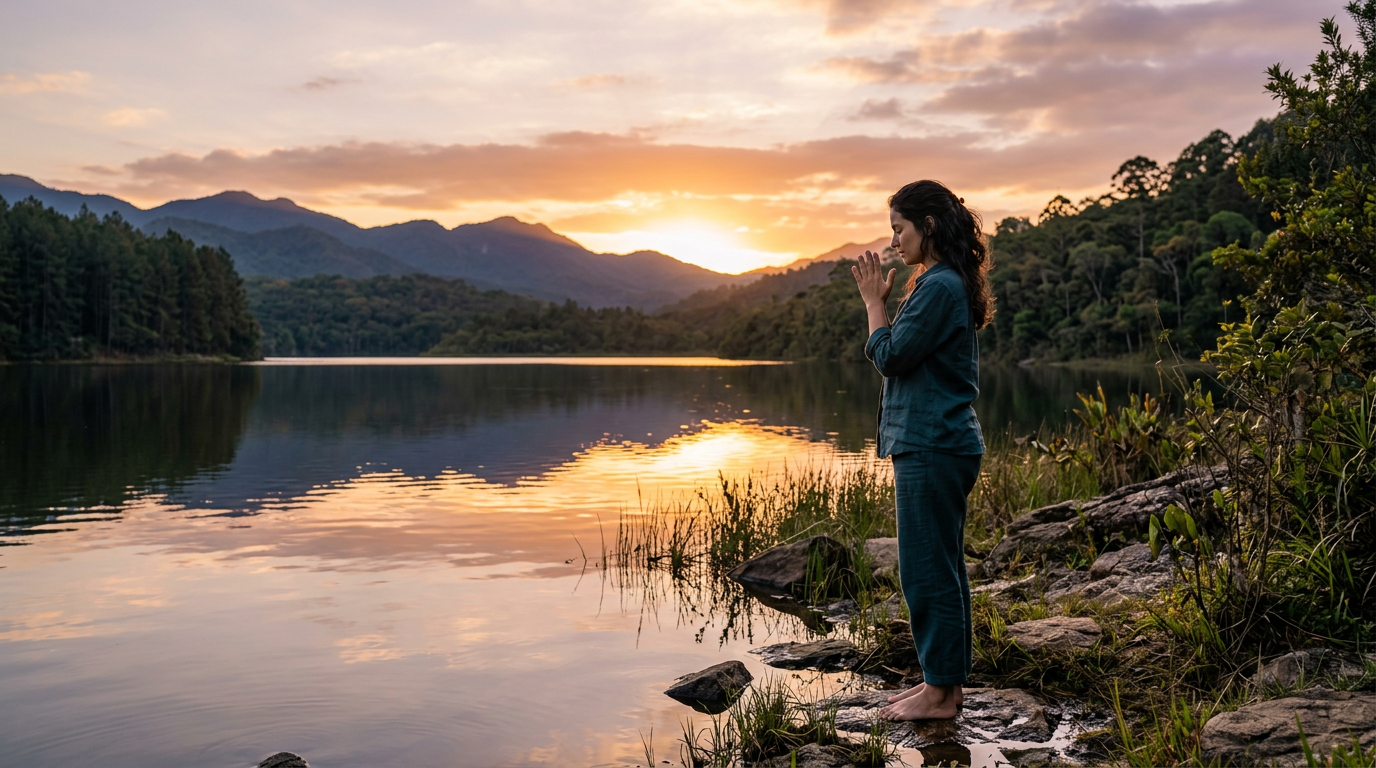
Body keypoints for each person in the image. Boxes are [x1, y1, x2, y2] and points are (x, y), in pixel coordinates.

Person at [850, 180, 993, 721]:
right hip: (938, 442)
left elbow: (890, 355)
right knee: (943, 568)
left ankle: (939, 693)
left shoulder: (937, 287)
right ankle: (945, 688)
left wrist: (872, 305)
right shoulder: (940, 282)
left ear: (927, 226)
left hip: (932, 443)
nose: (893, 242)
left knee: (926, 571)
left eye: (899, 229)